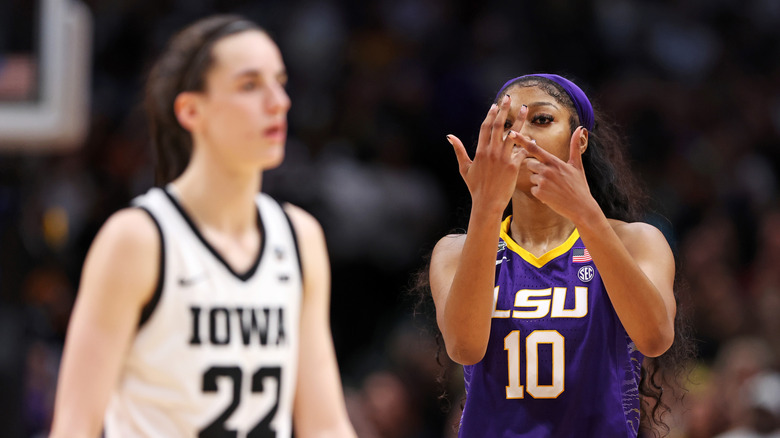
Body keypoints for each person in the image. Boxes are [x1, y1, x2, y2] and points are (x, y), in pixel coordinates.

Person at [49, 15, 356, 438]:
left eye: (280, 81)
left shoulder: (300, 237)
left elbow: (325, 426)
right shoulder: (138, 239)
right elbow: (74, 427)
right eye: (250, 85)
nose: (278, 101)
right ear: (191, 110)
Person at [427, 73, 686, 437]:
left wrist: (586, 215)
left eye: (540, 119)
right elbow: (464, 347)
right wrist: (485, 208)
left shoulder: (637, 241)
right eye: (505, 124)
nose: (519, 134)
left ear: (578, 141)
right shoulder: (454, 251)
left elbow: (655, 338)